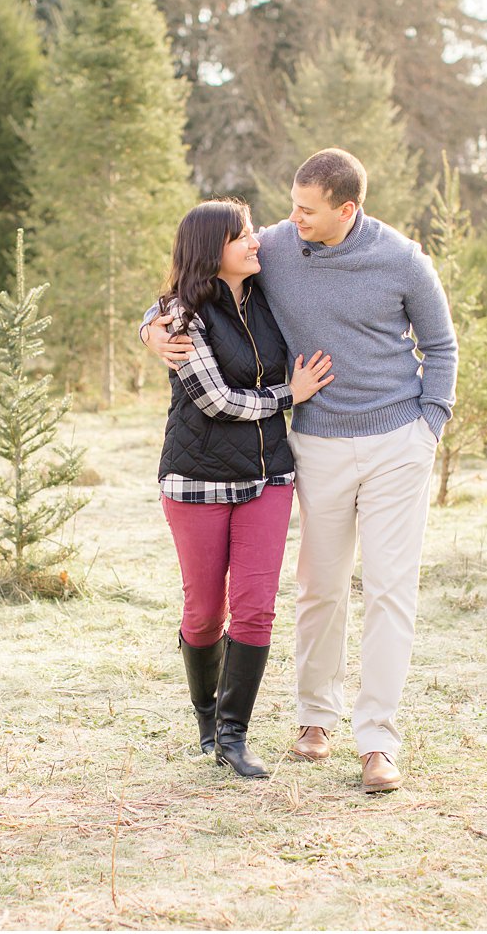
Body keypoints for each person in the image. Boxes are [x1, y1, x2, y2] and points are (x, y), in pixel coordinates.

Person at [142, 149, 458, 793]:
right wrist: (151, 328)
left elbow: (441, 346)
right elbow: (193, 284)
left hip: (399, 439)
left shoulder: (401, 259)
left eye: (306, 209)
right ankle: (315, 717)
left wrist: (430, 426)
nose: (289, 220)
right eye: (291, 205)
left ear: (348, 209)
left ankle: (377, 741)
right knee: (320, 587)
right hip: (315, 444)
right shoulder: (277, 249)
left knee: (392, 590)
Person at [156, 199, 334, 779]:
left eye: (255, 234)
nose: (255, 244)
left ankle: (234, 736)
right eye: (242, 237)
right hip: (197, 481)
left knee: (256, 609)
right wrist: (291, 396)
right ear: (214, 251)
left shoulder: (265, 294)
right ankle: (206, 718)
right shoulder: (180, 315)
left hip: (268, 475)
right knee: (206, 613)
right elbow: (217, 402)